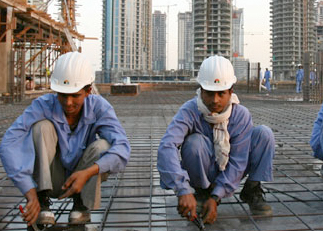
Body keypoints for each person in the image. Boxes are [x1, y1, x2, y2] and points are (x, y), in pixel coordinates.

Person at [0, 52, 131, 227]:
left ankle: (81, 204)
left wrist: (88, 173)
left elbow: (122, 147)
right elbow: (9, 141)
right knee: (42, 127)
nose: (68, 103)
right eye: (62, 95)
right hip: (52, 178)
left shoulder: (99, 108)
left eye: (75, 95)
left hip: (83, 179)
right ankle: (42, 199)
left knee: (103, 146)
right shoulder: (43, 105)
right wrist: (28, 190)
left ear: (88, 91)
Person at [158, 56, 275, 225]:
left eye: (221, 94)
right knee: (194, 143)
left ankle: (252, 189)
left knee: (264, 134)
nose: (215, 100)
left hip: (231, 170)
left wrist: (216, 196)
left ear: (231, 91)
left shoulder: (240, 115)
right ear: (201, 90)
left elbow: (238, 161)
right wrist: (182, 189)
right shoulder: (190, 111)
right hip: (204, 168)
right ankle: (201, 191)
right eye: (209, 93)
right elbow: (167, 146)